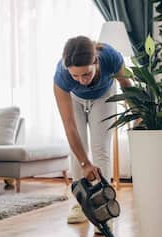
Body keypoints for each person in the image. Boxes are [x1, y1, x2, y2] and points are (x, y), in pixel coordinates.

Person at [53, 35, 131, 227]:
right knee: (78, 150)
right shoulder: (62, 75)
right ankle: (81, 204)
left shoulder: (111, 57)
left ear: (95, 61)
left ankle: (103, 207)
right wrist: (85, 163)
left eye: (86, 74)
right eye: (75, 76)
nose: (81, 81)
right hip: (75, 99)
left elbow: (127, 87)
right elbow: (69, 126)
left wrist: (139, 116)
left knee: (100, 148)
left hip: (104, 95)